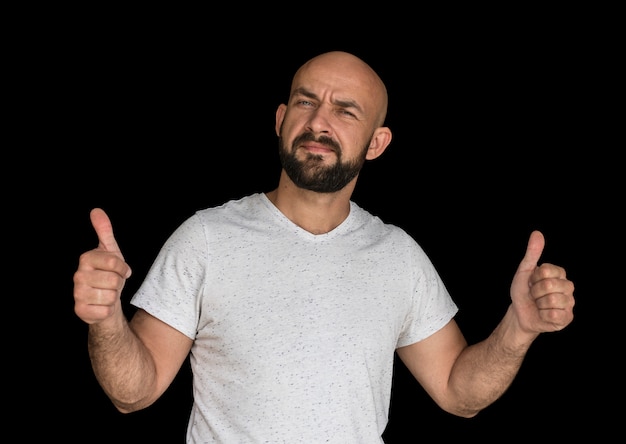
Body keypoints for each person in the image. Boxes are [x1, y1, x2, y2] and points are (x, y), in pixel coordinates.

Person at [73, 50, 575, 443]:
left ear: (377, 144)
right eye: (305, 101)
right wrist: (107, 319)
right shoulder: (205, 238)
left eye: (345, 110)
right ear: (279, 118)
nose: (318, 122)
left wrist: (520, 327)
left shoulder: (398, 256)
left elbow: (457, 394)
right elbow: (132, 396)